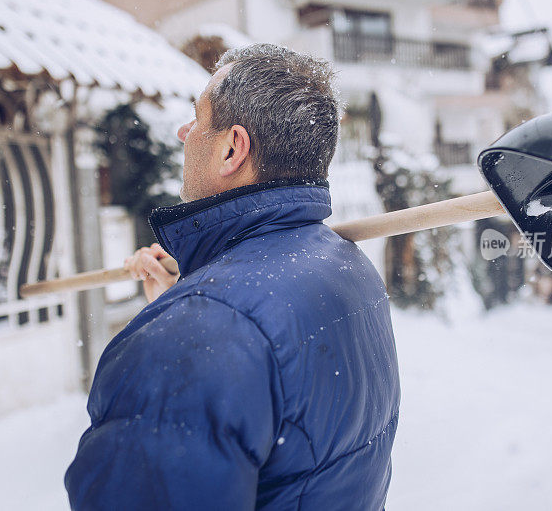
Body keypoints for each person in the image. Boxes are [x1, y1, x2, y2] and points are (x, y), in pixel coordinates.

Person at [65, 44, 400, 510]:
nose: (184, 131)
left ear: (231, 149)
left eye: (197, 117)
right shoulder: (349, 269)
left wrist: (187, 320)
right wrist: (194, 296)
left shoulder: (190, 336)